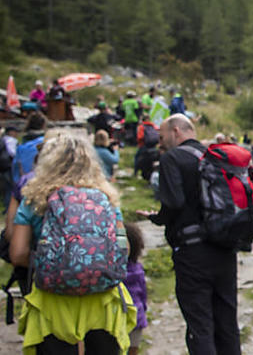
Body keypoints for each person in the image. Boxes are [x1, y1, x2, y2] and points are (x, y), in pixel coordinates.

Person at [9, 131, 136, 353]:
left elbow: (18, 254)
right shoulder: (105, 197)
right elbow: (123, 248)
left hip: (52, 300)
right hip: (101, 297)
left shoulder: (35, 199)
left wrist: (53, 262)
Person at [137, 114, 240, 355]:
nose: (160, 143)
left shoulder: (172, 159)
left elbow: (174, 203)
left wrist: (157, 217)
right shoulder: (215, 157)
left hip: (192, 253)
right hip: (225, 248)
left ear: (176, 131)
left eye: (161, 137)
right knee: (227, 323)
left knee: (200, 324)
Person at [123, 222, 148, 355]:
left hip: (118, 320)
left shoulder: (112, 273)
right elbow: (143, 294)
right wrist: (144, 309)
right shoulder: (138, 269)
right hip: (137, 317)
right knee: (133, 350)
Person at [135, 114, 160, 181]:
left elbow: (140, 137)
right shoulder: (153, 126)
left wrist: (139, 143)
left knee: (137, 158)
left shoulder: (141, 126)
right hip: (153, 146)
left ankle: (135, 172)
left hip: (144, 146)